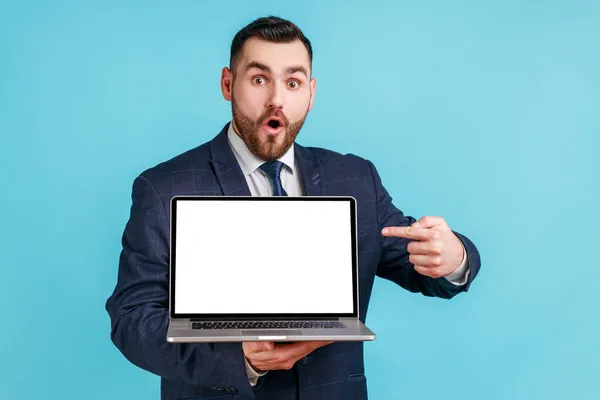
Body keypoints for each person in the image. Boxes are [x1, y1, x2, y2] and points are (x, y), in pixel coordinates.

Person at [105, 16, 481, 400]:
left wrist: (454, 257)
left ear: (311, 93)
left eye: (293, 82)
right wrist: (240, 359)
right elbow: (132, 319)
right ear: (227, 84)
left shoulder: (356, 179)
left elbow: (420, 261)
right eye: (258, 79)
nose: (277, 100)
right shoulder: (164, 188)